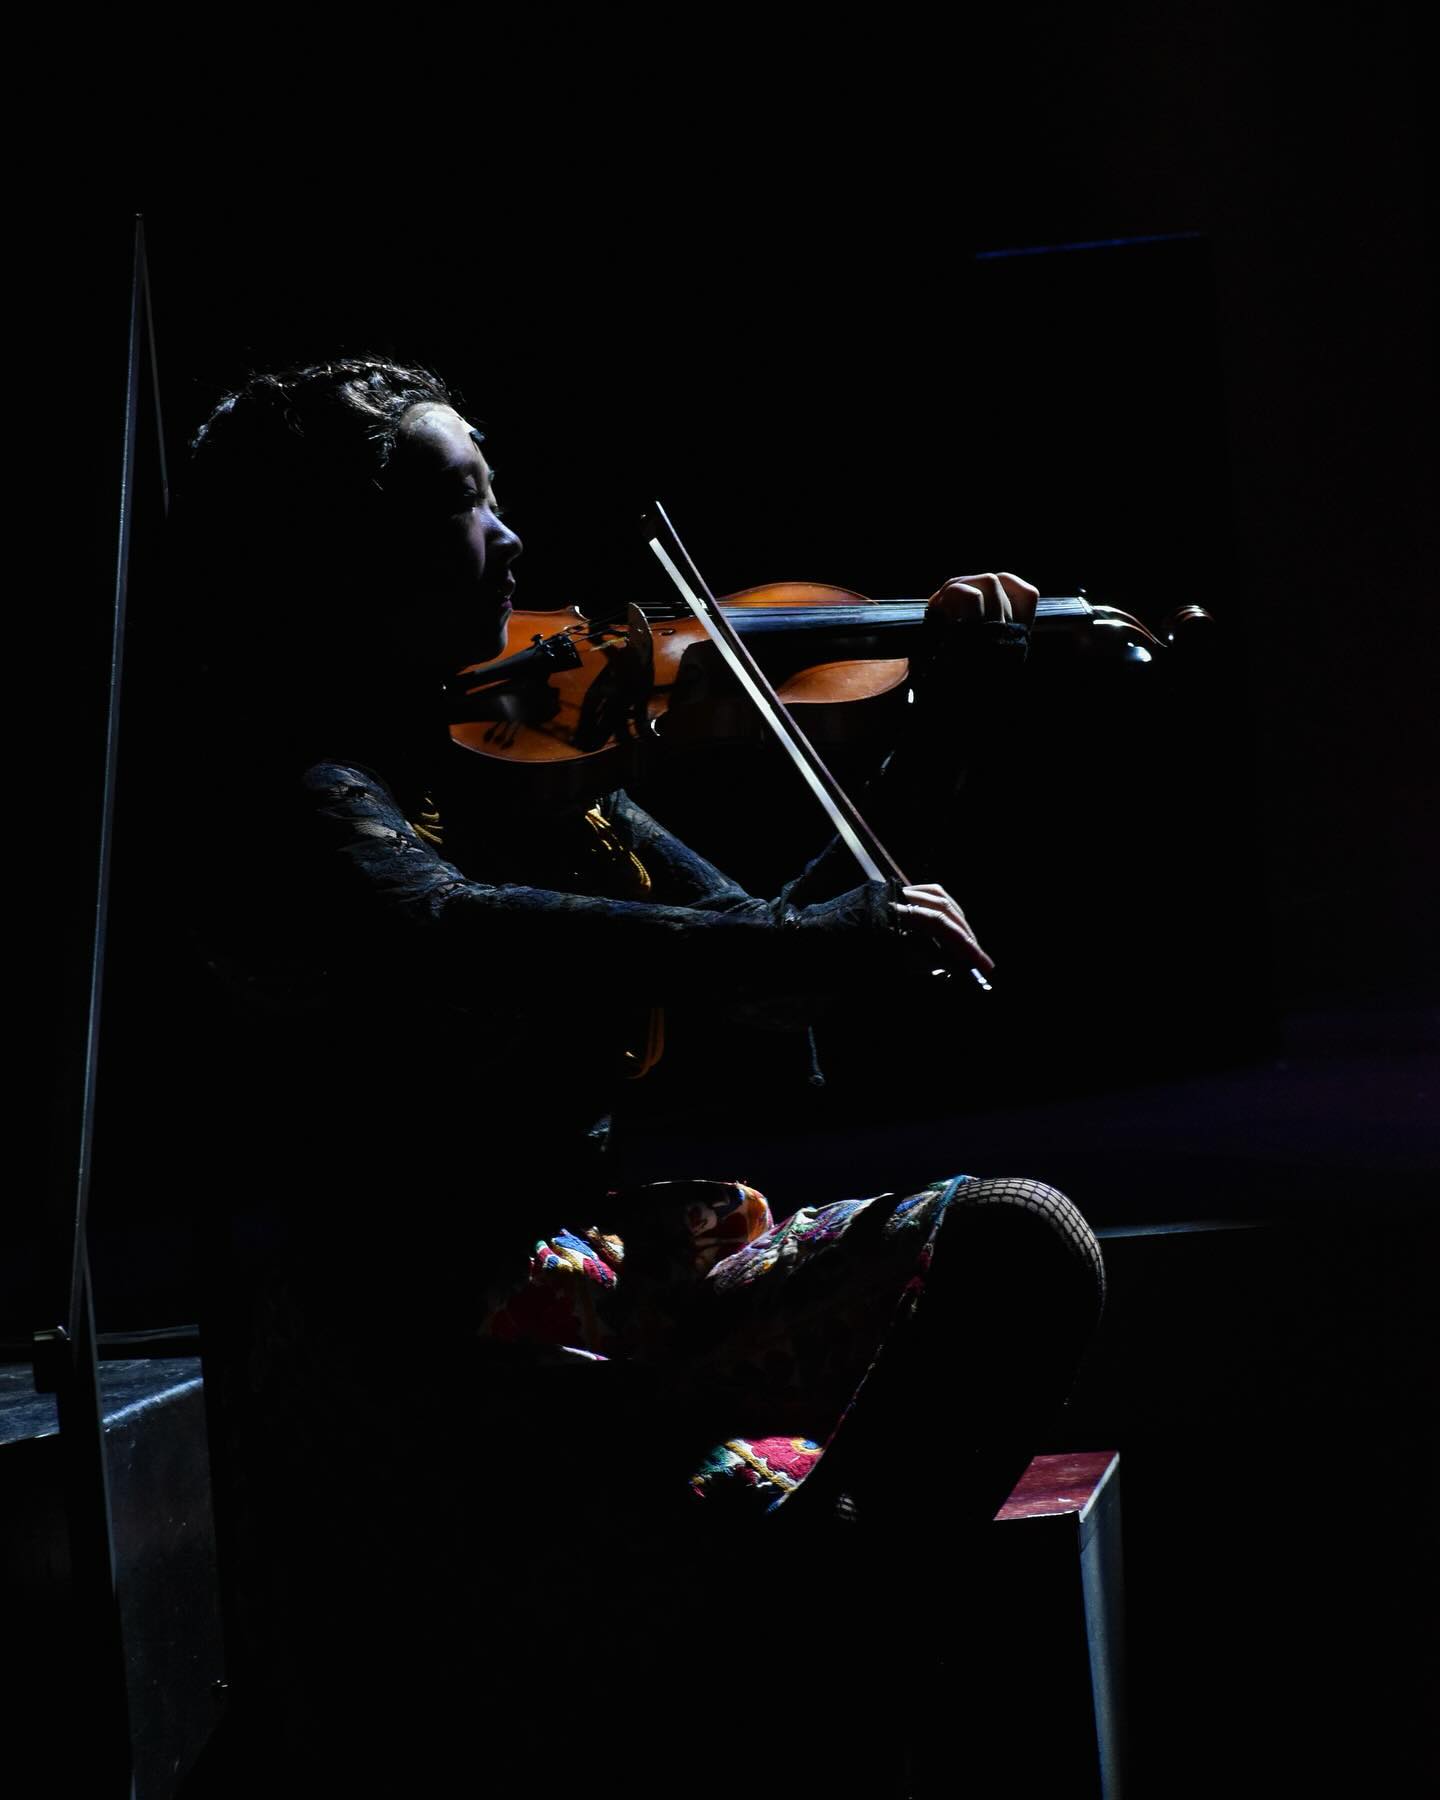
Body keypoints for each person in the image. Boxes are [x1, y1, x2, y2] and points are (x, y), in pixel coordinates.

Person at [166, 356, 1105, 1789]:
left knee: (1018, 1245)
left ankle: (803, 1642)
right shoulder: (285, 800)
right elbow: (441, 928)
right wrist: (830, 937)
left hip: (617, 1306)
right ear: (346, 557)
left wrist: (940, 735)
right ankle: (779, 1669)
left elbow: (779, 965)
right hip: (429, 1368)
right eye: (467, 502)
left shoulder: (521, 773)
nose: (516, 541)